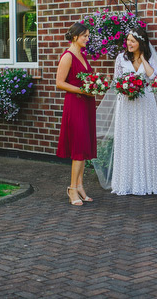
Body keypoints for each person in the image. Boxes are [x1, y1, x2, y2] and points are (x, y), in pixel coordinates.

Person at [93, 27, 157, 195]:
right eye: (128, 40)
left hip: (145, 104)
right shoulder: (121, 58)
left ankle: (149, 182)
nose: (129, 43)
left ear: (141, 43)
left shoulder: (149, 58)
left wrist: (143, 59)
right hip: (126, 104)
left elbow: (153, 78)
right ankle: (126, 182)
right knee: (127, 139)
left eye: (133, 41)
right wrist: (127, 87)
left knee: (146, 138)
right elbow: (117, 80)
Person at [56, 22, 97, 206]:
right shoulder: (68, 56)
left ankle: (80, 185)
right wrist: (82, 91)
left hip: (86, 103)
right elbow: (59, 83)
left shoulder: (82, 55)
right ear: (75, 37)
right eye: (85, 36)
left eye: (88, 36)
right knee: (78, 148)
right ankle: (72, 188)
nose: (87, 39)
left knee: (84, 145)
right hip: (75, 104)